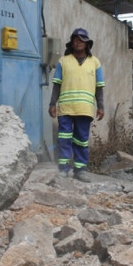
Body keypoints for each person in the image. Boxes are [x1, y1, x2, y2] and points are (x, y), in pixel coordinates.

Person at [49, 28, 105, 182]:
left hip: (85, 109)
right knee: (64, 139)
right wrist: (52, 103)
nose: (78, 42)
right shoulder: (63, 61)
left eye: (81, 40)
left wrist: (101, 106)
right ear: (71, 43)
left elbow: (99, 86)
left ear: (87, 43)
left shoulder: (95, 62)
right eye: (75, 39)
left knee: (81, 139)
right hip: (65, 108)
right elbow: (57, 85)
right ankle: (63, 169)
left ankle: (80, 170)